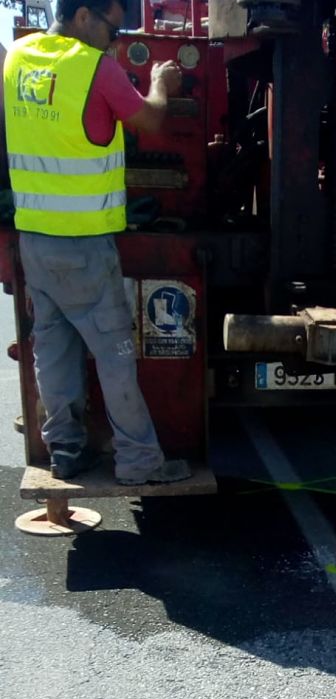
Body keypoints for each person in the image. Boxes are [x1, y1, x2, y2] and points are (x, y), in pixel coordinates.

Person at [2, 0, 192, 484]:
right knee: (114, 353)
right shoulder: (94, 68)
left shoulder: (19, 58)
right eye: (114, 26)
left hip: (35, 240)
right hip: (83, 244)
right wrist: (158, 82)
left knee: (54, 348)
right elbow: (148, 121)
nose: (117, 37)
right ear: (84, 15)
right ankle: (138, 462)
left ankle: (65, 452)